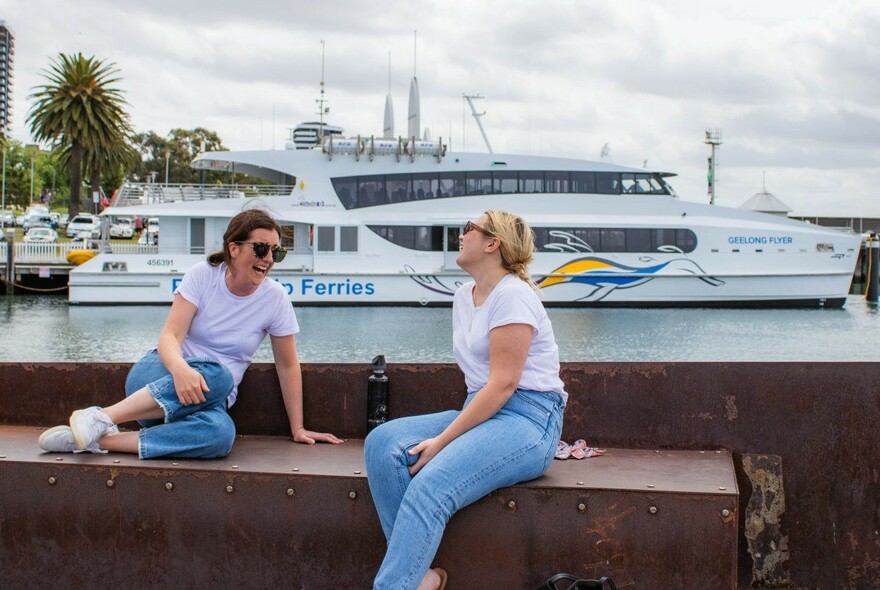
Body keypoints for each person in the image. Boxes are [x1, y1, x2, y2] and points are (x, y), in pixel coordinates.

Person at [364, 210, 567, 590]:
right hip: (483, 409)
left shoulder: (514, 295)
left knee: (431, 483)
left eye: (468, 229)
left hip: (530, 420)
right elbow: (483, 388)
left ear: (493, 243)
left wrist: (443, 442)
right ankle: (419, 575)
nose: (461, 234)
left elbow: (505, 384)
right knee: (382, 445)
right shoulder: (463, 296)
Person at [39, 208, 342, 458]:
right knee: (220, 374)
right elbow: (170, 337)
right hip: (158, 377)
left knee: (221, 435)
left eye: (276, 251)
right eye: (261, 248)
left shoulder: (275, 299)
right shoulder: (202, 276)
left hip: (206, 399)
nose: (268, 259)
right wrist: (182, 370)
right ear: (234, 249)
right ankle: (102, 417)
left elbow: (287, 365)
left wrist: (297, 429)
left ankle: (95, 440)